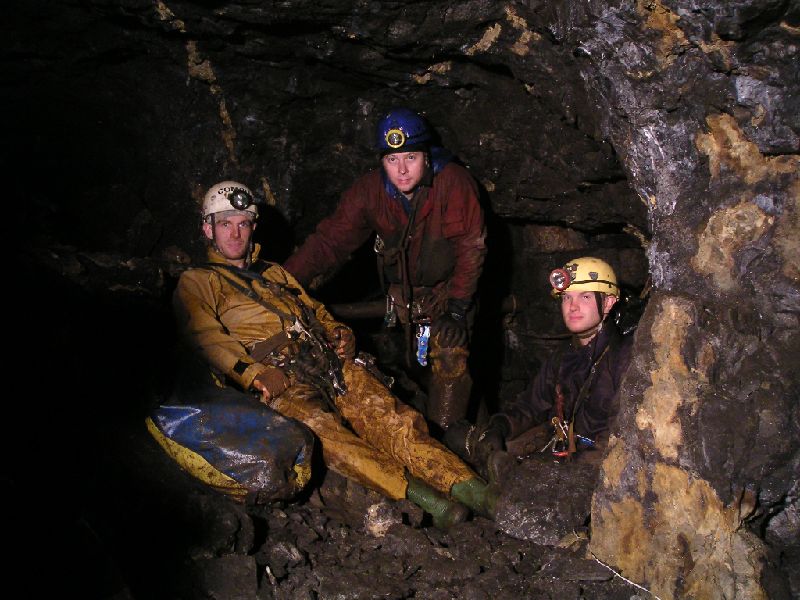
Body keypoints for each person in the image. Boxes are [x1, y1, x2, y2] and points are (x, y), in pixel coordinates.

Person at [172, 179, 499, 528]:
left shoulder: (274, 273)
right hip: (278, 379)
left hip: (325, 362)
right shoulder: (198, 281)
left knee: (392, 419)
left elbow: (315, 311)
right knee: (329, 437)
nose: (235, 234)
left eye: (242, 224)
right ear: (208, 229)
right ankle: (430, 502)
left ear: (253, 227)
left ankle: (473, 490)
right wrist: (252, 373)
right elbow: (205, 336)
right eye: (225, 224)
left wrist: (340, 333)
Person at [283, 107, 486, 432]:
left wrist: (458, 309)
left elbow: (470, 247)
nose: (402, 170)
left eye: (411, 158)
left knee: (449, 355)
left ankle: (450, 446)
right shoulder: (369, 192)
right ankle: (449, 420)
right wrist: (282, 281)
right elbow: (329, 242)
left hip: (448, 294)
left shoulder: (453, 184)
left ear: (427, 156)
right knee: (417, 365)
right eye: (392, 160)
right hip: (405, 297)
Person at [447, 256, 634, 473]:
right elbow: (530, 407)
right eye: (566, 298)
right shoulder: (562, 357)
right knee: (459, 438)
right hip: (561, 449)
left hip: (599, 468)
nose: (572, 307)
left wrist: (567, 471)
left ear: (609, 302)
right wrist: (499, 427)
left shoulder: (625, 358)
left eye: (585, 297)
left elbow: (621, 436)